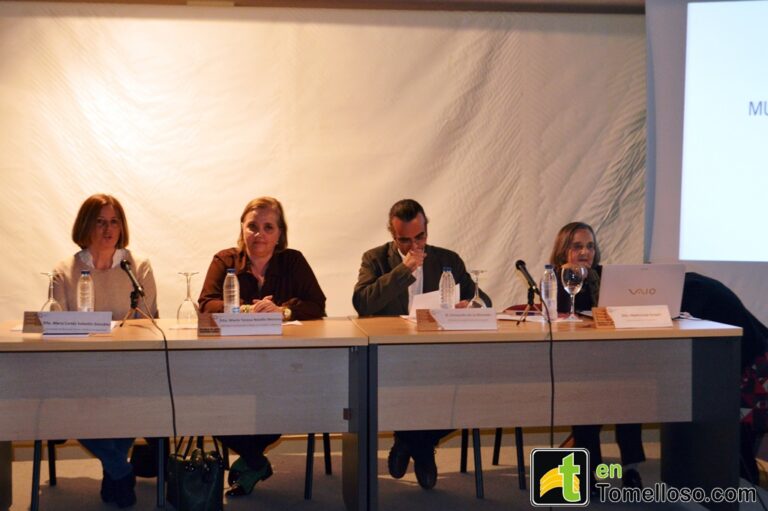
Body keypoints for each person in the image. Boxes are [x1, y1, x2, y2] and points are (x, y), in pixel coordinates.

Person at [353, 198, 490, 490]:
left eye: (420, 237)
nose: (414, 246)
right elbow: (363, 302)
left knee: (468, 389)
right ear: (393, 235)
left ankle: (413, 442)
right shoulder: (375, 259)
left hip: (438, 353)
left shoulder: (447, 260)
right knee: (395, 386)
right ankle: (423, 449)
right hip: (391, 354)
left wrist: (469, 306)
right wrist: (403, 270)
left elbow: (483, 301)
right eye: (405, 240)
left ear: (427, 230)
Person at [198, 196, 326, 496]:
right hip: (232, 362)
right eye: (253, 226)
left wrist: (283, 311)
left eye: (268, 227)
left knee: (283, 401)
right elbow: (206, 303)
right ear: (242, 229)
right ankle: (256, 461)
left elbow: (317, 304)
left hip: (280, 363)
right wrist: (245, 310)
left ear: (279, 233)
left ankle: (251, 461)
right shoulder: (225, 260)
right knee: (207, 403)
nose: (260, 234)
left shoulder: (292, 261)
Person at [53, 193, 158, 508]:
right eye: (100, 221)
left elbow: (147, 322)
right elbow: (56, 326)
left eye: (114, 222)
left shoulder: (137, 267)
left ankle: (114, 470)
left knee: (133, 394)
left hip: (127, 366)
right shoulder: (65, 270)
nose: (108, 229)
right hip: (79, 367)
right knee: (71, 401)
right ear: (86, 226)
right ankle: (119, 469)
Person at [550, 221, 645, 489]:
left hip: (611, 354)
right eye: (577, 246)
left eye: (590, 246)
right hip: (576, 358)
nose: (585, 252)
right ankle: (589, 470)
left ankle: (631, 467)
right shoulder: (556, 277)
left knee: (629, 387)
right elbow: (555, 315)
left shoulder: (606, 276)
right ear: (563, 250)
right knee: (586, 394)